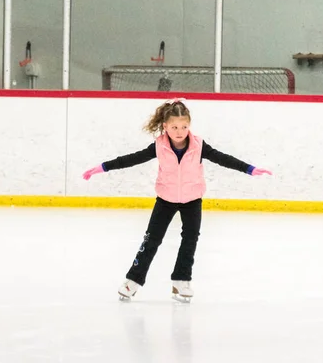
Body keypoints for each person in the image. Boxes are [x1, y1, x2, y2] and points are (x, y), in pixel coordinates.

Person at [82, 97, 272, 302]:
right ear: (165, 127)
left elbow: (223, 158)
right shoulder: (158, 146)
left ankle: (181, 281)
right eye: (174, 127)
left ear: (189, 125)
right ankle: (133, 281)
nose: (179, 131)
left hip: (192, 199)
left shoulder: (199, 146)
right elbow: (131, 159)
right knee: (151, 240)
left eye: (184, 126)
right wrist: (102, 167)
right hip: (166, 199)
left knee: (190, 240)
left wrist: (249, 169)